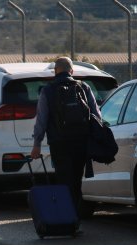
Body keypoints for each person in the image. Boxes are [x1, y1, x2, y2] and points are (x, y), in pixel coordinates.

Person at [30, 57, 101, 214]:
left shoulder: (47, 91)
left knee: (63, 180)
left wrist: (37, 144)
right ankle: (75, 217)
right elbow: (97, 115)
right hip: (81, 142)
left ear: (55, 71)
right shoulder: (83, 88)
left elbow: (41, 120)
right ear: (72, 71)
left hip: (59, 144)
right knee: (76, 180)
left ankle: (66, 217)